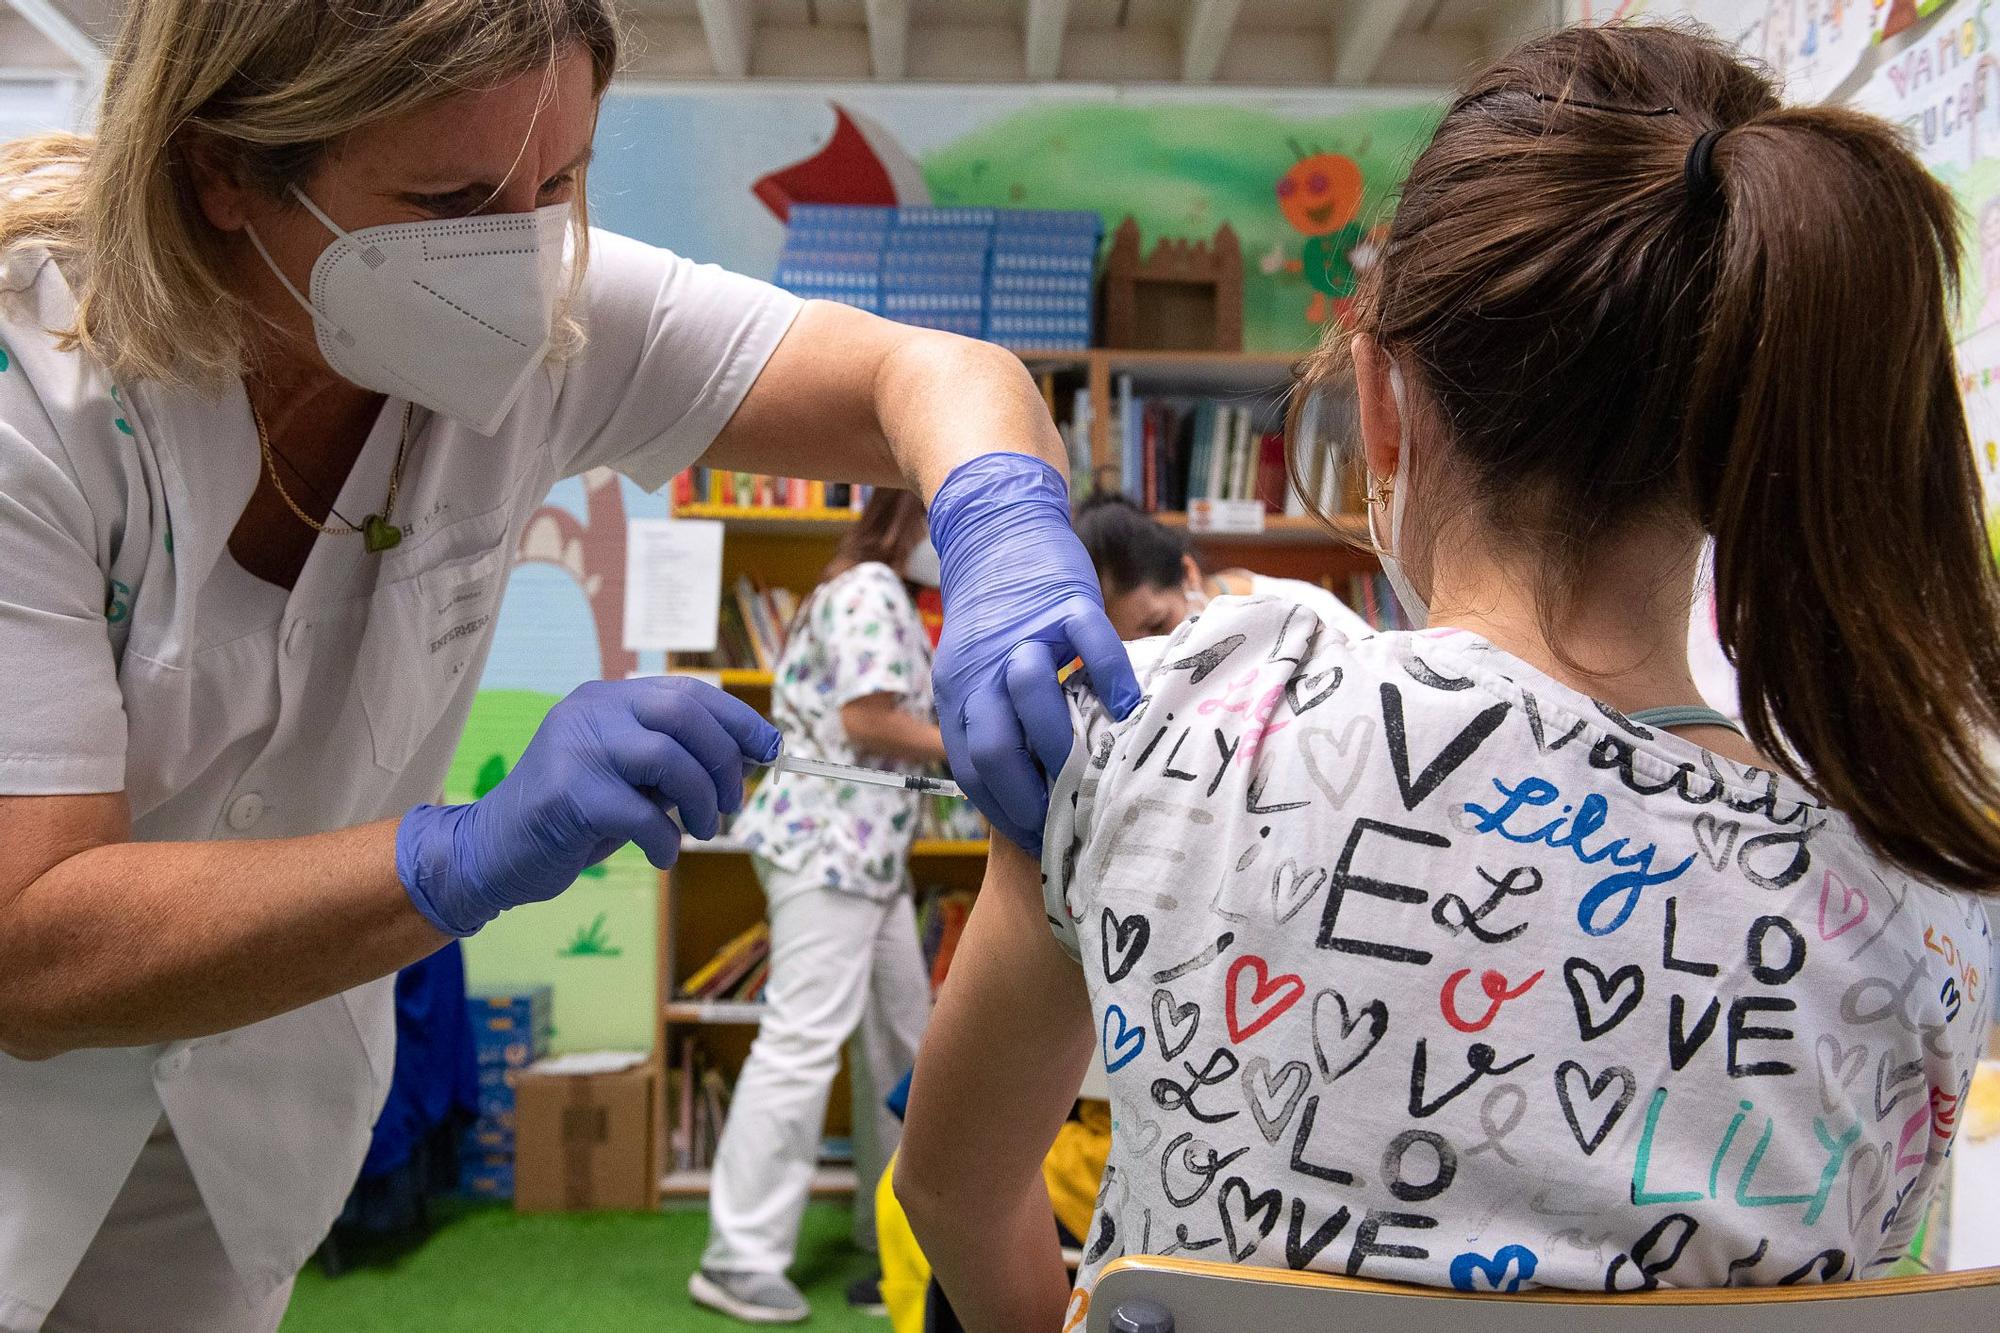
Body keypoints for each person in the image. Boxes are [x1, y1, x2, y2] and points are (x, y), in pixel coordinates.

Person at [0, 2, 1135, 1326]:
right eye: (453, 195)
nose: (528, 252)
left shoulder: (538, 317)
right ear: (223, 169)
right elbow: (32, 939)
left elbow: (929, 370)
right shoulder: (38, 394)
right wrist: (460, 854)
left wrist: (1001, 519)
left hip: (243, 1109)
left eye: (564, 180)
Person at [896, 23, 2000, 1328]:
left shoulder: (1165, 722)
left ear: (1382, 404)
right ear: (1731, 437)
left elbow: (955, 1191)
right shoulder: (1922, 900)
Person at [696, 491, 945, 1322]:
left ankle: (897, 1245)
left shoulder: (877, 591)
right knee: (803, 1043)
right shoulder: (870, 588)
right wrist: (975, 750)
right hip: (828, 845)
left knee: (906, 1049)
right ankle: (738, 1259)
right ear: (913, 517)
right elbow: (867, 720)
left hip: (866, 854)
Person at [1072, 491, 1373, 641]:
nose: (1156, 652)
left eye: (1157, 624)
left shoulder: (1307, 612)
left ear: (1188, 573)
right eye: (1130, 648)